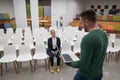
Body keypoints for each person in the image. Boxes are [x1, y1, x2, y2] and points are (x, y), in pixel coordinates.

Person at [66, 9, 108, 80]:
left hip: (85, 76)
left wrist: (68, 62)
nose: (81, 25)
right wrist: (83, 54)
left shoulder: (88, 38)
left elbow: (83, 64)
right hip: (98, 74)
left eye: (81, 23)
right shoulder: (103, 34)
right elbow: (98, 52)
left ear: (87, 22)